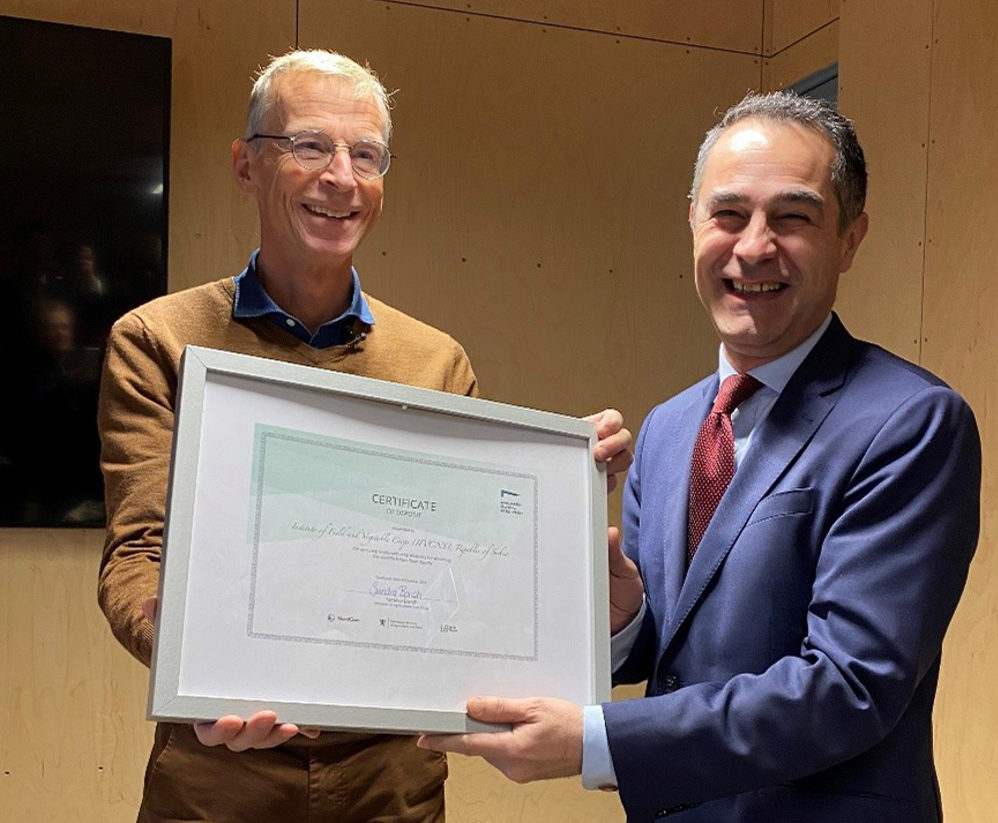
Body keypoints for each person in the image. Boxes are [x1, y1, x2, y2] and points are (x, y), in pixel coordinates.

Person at [97, 49, 631, 823]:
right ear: (246, 165)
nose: (341, 177)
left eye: (367, 155)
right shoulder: (159, 340)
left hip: (393, 787)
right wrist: (193, 657)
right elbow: (138, 553)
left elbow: (466, 568)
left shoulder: (436, 360)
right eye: (310, 146)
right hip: (218, 777)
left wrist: (557, 497)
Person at [418, 91, 981, 822]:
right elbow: (671, 650)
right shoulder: (668, 426)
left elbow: (850, 686)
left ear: (850, 239)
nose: (754, 247)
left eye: (793, 217)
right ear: (692, 223)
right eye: (729, 214)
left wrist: (596, 743)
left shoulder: (910, 422)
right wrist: (622, 615)